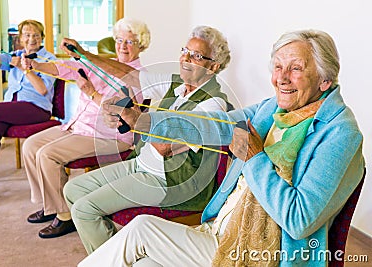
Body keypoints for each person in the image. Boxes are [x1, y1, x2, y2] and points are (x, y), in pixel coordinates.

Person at [83, 29, 365, 266]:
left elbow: (299, 220)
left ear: (325, 80)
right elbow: (214, 124)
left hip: (263, 254)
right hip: (223, 230)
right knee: (142, 262)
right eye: (278, 67)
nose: (281, 78)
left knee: (141, 230)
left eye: (296, 68)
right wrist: (143, 121)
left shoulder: (340, 133)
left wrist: (255, 158)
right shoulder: (273, 108)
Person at [62, 25, 233, 254]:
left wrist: (135, 119)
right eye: (185, 50)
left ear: (213, 67)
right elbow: (128, 74)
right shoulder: (177, 85)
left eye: (197, 56)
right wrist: (85, 55)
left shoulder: (213, 103)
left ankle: (111, 258)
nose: (186, 58)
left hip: (171, 180)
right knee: (73, 190)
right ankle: (118, 252)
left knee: (85, 210)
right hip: (143, 163)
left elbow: (164, 146)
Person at [20, 18, 150, 239]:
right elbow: (67, 69)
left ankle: (64, 216)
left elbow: (120, 111)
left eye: (130, 41)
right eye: (119, 40)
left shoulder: (138, 76)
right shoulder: (103, 63)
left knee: (47, 154)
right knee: (31, 145)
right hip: (79, 126)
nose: (123, 46)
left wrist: (91, 91)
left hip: (107, 136)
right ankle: (51, 204)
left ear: (141, 45)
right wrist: (36, 65)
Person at [0, 20, 56, 208]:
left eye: (36, 35)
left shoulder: (49, 60)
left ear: (42, 37)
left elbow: (42, 89)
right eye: (27, 34)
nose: (31, 39)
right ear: (20, 38)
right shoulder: (15, 55)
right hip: (13, 110)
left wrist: (25, 69)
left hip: (36, 109)